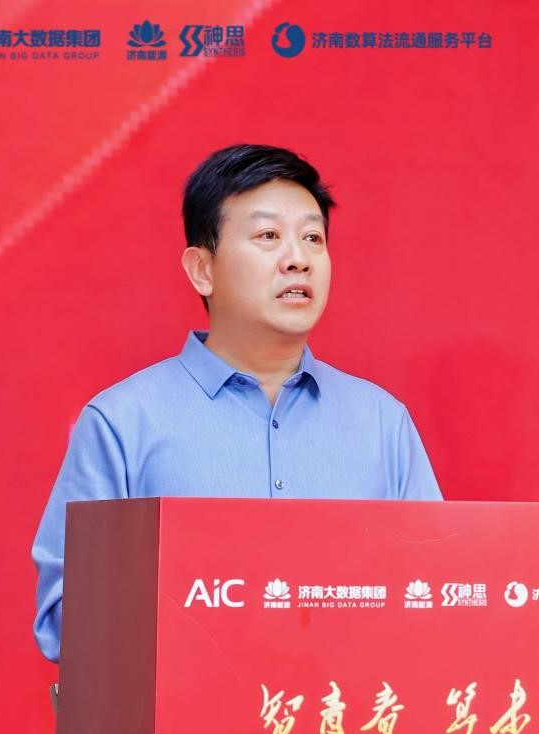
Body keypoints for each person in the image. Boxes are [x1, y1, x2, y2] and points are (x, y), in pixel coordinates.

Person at [31, 144, 442, 662]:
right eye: (268, 236)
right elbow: (65, 619)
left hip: (344, 708)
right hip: (187, 711)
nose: (298, 259)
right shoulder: (122, 423)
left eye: (312, 238)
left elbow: (436, 594)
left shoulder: (382, 422)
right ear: (202, 269)